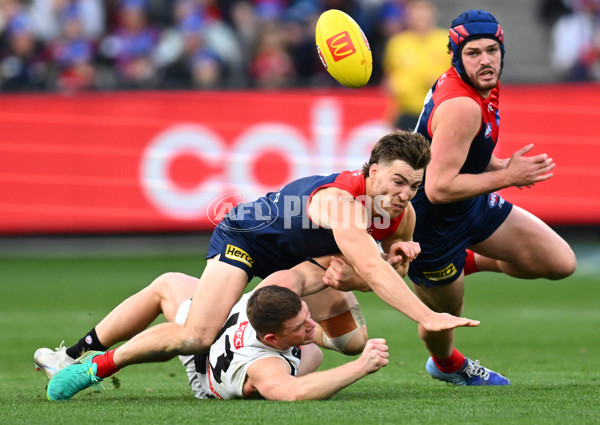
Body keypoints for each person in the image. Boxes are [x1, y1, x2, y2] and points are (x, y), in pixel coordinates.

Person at [42, 130, 480, 400]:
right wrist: (424, 313)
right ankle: (87, 364)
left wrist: (393, 260)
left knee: (351, 342)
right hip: (247, 241)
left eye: (414, 186)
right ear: (371, 171)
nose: (405, 194)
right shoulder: (341, 204)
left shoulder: (403, 216)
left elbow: (376, 272)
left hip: (299, 261)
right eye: (398, 181)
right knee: (196, 335)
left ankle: (283, 336)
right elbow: (372, 270)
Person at [402, 10, 576, 385]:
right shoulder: (461, 105)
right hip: (432, 227)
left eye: (492, 50)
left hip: (470, 206)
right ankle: (448, 365)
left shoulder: (484, 84)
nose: (485, 60)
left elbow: (460, 151)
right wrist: (508, 177)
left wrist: (496, 166)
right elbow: (438, 187)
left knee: (560, 262)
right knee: (444, 318)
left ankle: (470, 260)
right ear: (456, 57)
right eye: (474, 53)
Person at [40, 266, 389, 401]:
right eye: (300, 327)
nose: (310, 324)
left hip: (229, 325)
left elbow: (304, 273)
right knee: (312, 354)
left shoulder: (271, 292)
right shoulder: (264, 365)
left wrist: (350, 275)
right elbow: (292, 393)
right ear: (271, 339)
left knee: (169, 283)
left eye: (306, 317)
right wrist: (360, 365)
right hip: (206, 370)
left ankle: (71, 355)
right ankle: (87, 364)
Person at [382, 0, 449, 130]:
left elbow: (460, 77)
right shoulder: (397, 43)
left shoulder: (447, 40)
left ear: (433, 14)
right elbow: (388, 76)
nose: (421, 16)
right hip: (405, 112)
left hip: (438, 113)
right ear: (408, 15)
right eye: (416, 11)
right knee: (403, 149)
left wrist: (440, 83)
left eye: (424, 11)